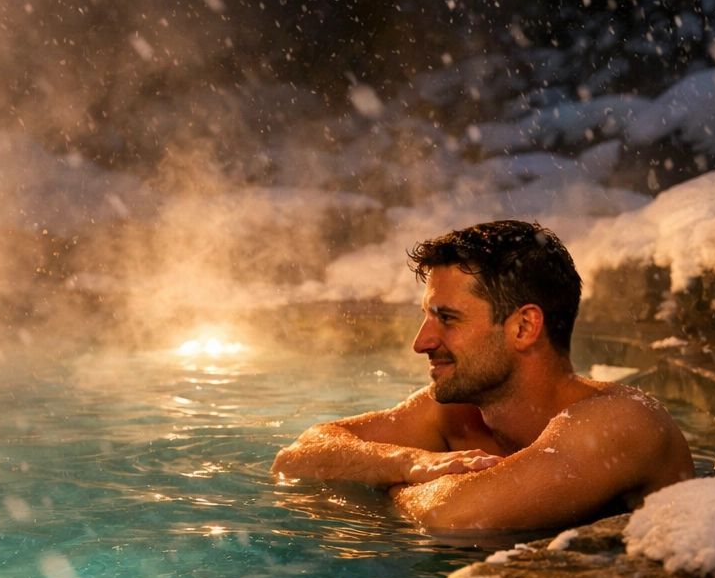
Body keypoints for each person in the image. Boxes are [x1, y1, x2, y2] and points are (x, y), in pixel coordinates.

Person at [272, 220, 692, 532]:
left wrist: (382, 479)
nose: (421, 343)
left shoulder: (621, 421)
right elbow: (298, 456)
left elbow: (453, 516)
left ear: (524, 328)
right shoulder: (457, 415)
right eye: (426, 318)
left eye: (447, 319)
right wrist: (410, 461)